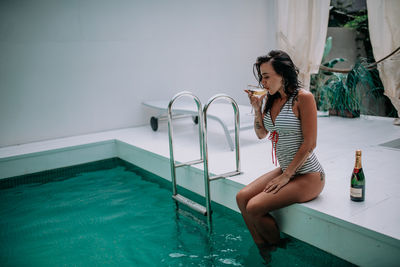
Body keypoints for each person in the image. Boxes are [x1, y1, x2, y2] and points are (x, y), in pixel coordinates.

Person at [236, 50, 325, 261]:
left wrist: (286, 176)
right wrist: (257, 110)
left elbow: (310, 143)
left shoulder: (303, 98)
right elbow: (261, 134)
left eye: (267, 76)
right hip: (287, 170)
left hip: (308, 174)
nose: (263, 82)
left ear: (283, 74)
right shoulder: (270, 100)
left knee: (254, 207)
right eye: (261, 77)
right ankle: (263, 248)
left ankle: (278, 249)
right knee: (241, 198)